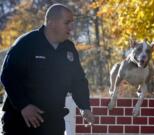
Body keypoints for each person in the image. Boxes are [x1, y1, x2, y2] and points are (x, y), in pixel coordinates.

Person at [0, 3, 95, 135]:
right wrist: (24, 105)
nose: (71, 28)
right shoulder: (26, 43)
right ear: (51, 23)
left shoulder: (69, 48)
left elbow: (78, 81)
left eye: (72, 23)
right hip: (21, 121)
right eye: (67, 23)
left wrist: (84, 107)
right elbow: (9, 76)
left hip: (53, 123)